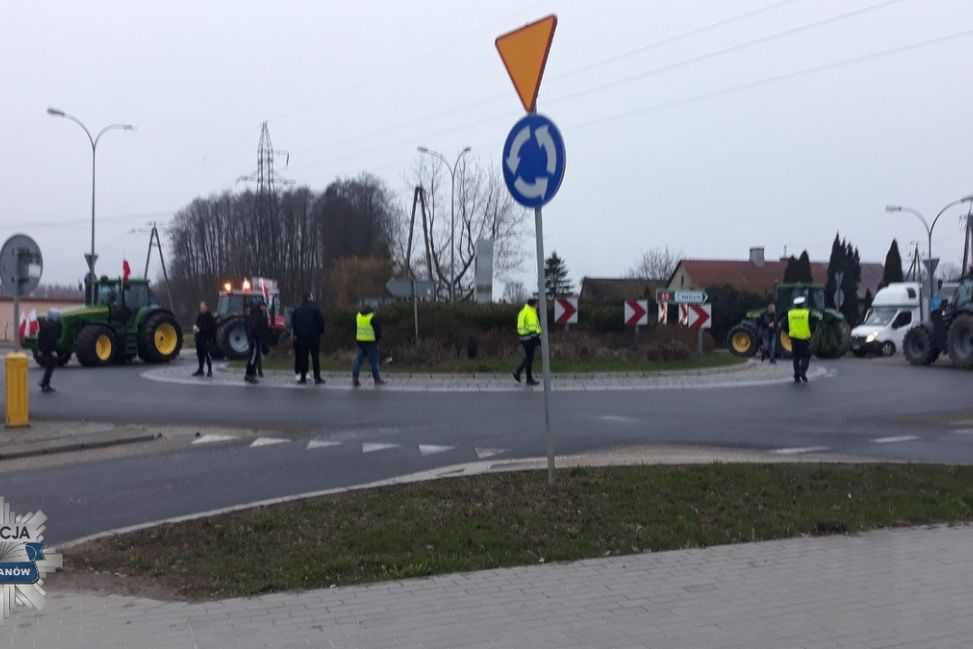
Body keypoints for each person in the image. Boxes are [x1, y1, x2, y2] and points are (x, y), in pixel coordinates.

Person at [291, 292, 325, 385]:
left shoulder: (297, 310)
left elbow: (293, 323)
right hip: (314, 337)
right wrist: (319, 332)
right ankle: (317, 377)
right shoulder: (315, 309)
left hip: (301, 337)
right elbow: (321, 322)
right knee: (315, 357)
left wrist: (297, 333)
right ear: (310, 298)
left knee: (303, 357)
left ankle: (303, 377)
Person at [352, 304, 385, 387]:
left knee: (359, 360)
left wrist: (356, 338)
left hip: (360, 341)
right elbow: (378, 331)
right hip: (371, 342)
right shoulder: (372, 317)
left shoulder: (358, 316)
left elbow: (355, 328)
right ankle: (377, 379)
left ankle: (355, 377)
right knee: (374, 361)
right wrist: (377, 340)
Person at [513, 298, 541, 386]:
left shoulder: (523, 311)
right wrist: (537, 339)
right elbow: (532, 328)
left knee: (529, 357)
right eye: (537, 304)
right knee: (530, 358)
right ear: (534, 304)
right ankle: (526, 377)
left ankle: (519, 373)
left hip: (523, 337)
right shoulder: (531, 313)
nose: (538, 306)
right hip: (529, 338)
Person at [785, 296, 814, 383]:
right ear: (803, 304)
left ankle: (796, 376)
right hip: (804, 338)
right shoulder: (807, 313)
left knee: (796, 357)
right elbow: (813, 325)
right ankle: (802, 371)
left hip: (794, 338)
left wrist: (790, 332)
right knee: (806, 356)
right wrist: (810, 332)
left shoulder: (790, 313)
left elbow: (785, 325)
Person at [37, 310, 62, 393]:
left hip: (44, 349)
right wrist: (54, 350)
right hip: (51, 349)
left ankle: (45, 383)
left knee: (49, 366)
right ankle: (45, 383)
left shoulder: (43, 324)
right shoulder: (55, 325)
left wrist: (40, 349)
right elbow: (54, 339)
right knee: (51, 366)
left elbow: (40, 337)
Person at [244, 302, 267, 384]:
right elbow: (255, 328)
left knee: (252, 357)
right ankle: (252, 375)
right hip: (255, 339)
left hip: (252, 339)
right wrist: (260, 336)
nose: (265, 308)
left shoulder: (253, 315)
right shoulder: (258, 316)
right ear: (261, 306)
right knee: (253, 358)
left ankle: (247, 374)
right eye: (264, 306)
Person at [192, 301, 216, 377]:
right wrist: (195, 329)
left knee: (207, 354)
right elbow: (197, 324)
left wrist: (201, 330)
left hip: (206, 338)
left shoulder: (209, 316)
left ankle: (209, 371)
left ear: (206, 307)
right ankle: (200, 370)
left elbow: (211, 327)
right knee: (200, 354)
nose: (202, 309)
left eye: (203, 307)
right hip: (199, 338)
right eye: (201, 307)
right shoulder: (200, 315)